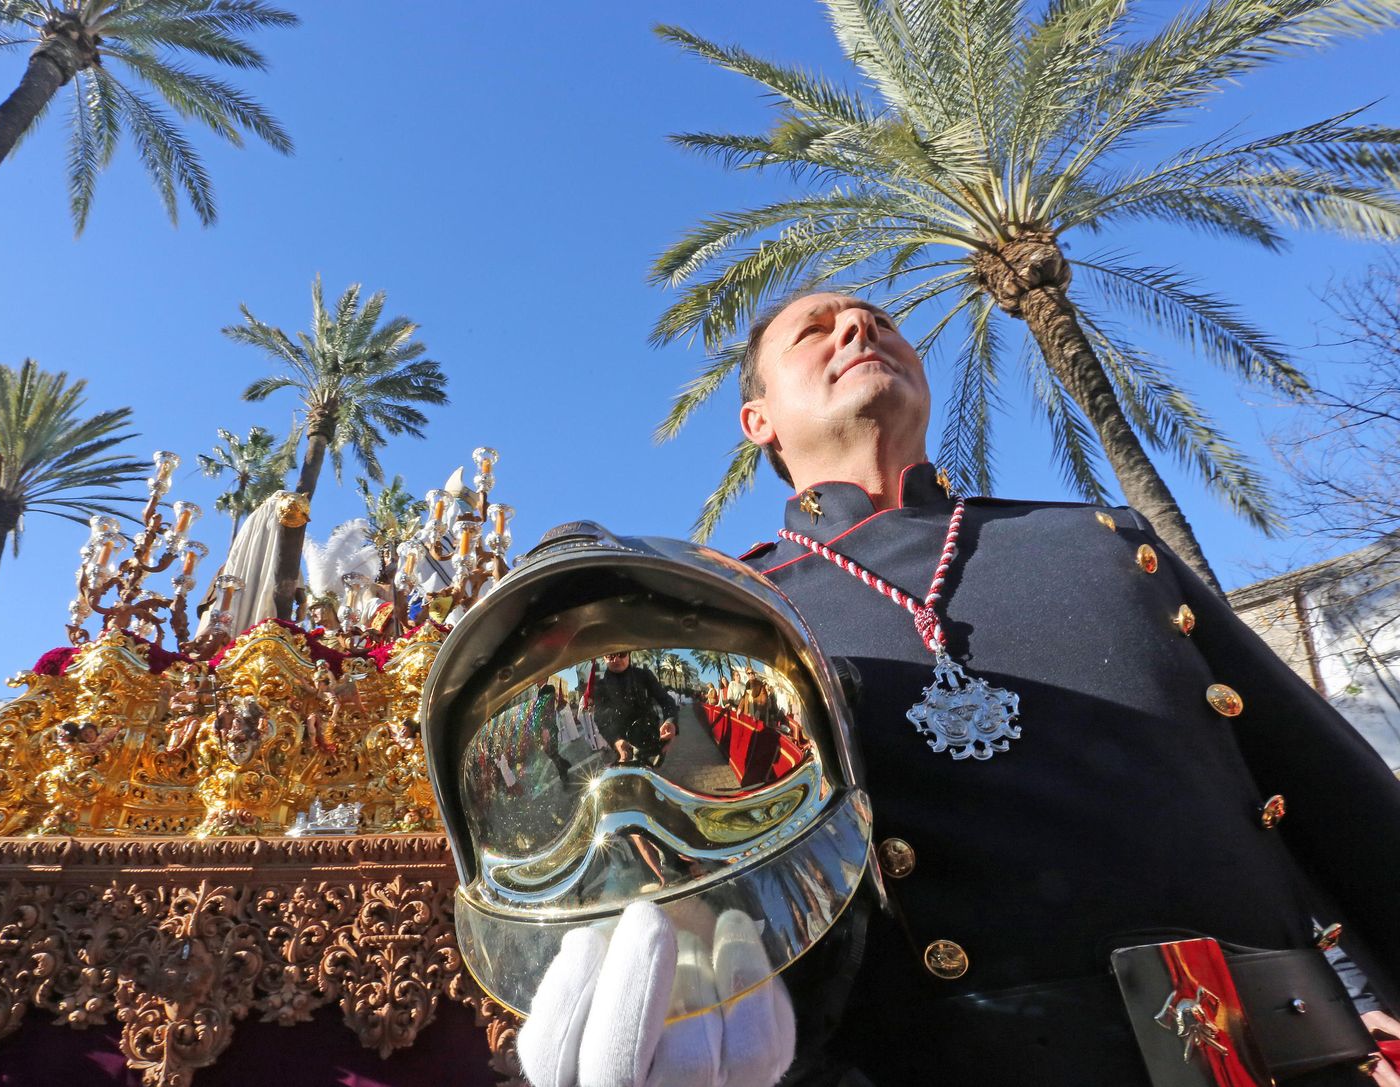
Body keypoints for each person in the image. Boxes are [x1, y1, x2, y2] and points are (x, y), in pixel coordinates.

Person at [524, 291, 1400, 1087]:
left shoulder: (1100, 540)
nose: (860, 329)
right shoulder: (733, 626)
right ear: (760, 420)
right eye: (815, 331)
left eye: (877, 320)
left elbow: (1339, 799)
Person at [589, 652, 680, 767]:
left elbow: (665, 699)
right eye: (610, 656)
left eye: (621, 654)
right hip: (623, 742)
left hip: (649, 733)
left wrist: (670, 722)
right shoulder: (600, 686)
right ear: (604, 657)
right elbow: (600, 718)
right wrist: (615, 741)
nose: (616, 659)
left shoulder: (644, 675)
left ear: (629, 655)